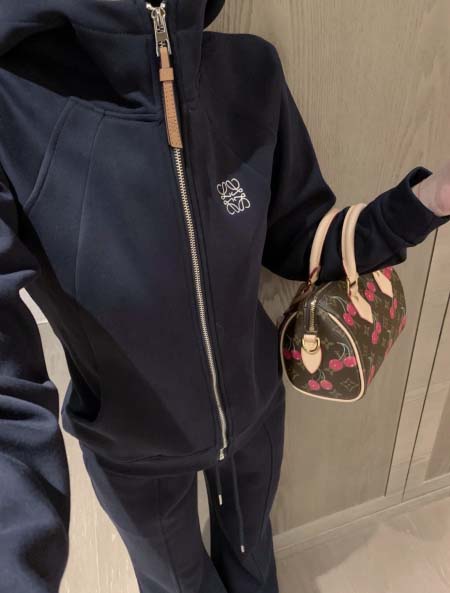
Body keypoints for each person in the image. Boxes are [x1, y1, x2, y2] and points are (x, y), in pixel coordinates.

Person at [0, 1, 449, 592]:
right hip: (134, 450)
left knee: (253, 558)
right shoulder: (13, 104)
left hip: (257, 411)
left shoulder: (251, 73)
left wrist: (424, 203)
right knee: (176, 583)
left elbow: (302, 239)